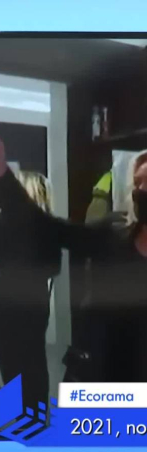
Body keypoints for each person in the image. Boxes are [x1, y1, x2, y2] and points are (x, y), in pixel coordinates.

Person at [0, 141, 147, 383]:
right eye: (137, 182)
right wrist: (3, 176)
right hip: (95, 380)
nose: (141, 190)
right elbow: (47, 227)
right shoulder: (111, 235)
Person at [0, 161, 60, 412]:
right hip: (35, 303)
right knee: (31, 365)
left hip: (17, 307)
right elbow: (53, 268)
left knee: (19, 367)